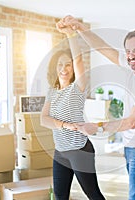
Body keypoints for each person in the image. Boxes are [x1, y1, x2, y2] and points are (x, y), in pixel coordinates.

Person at [57, 15, 135, 200]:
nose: (131, 55)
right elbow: (102, 48)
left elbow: (131, 122)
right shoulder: (133, 66)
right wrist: (80, 27)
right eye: (128, 50)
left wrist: (97, 127)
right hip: (133, 147)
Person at [40, 23, 105, 200]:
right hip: (60, 151)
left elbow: (79, 60)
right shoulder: (52, 92)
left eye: (68, 65)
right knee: (60, 196)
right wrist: (66, 125)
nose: (64, 68)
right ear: (54, 67)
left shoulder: (77, 88)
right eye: (60, 64)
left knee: (93, 194)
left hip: (79, 150)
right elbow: (44, 119)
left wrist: (71, 36)